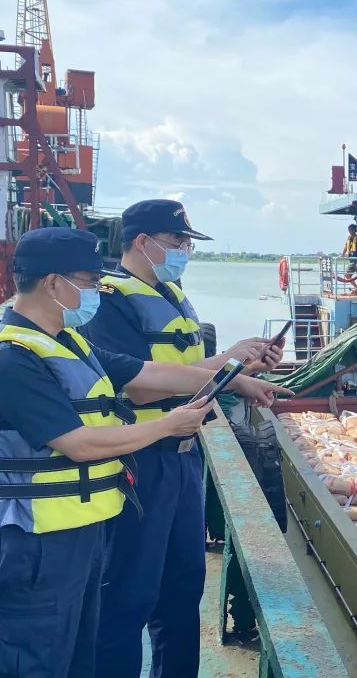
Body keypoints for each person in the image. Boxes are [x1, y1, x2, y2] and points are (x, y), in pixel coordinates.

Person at [0, 227, 288, 678]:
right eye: (89, 281)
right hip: (35, 541)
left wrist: (239, 376)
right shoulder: (14, 357)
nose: (97, 290)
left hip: (83, 523)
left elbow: (152, 372)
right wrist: (167, 425)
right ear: (54, 284)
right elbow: (77, 442)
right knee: (37, 653)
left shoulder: (70, 343)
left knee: (78, 652)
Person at [81, 199, 286, 678]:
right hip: (140, 457)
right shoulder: (112, 300)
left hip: (184, 458)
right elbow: (134, 381)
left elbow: (189, 375)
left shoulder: (170, 294)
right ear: (141, 242)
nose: (186, 251)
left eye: (188, 243)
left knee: (182, 588)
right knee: (129, 593)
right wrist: (228, 364)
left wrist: (242, 375)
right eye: (178, 242)